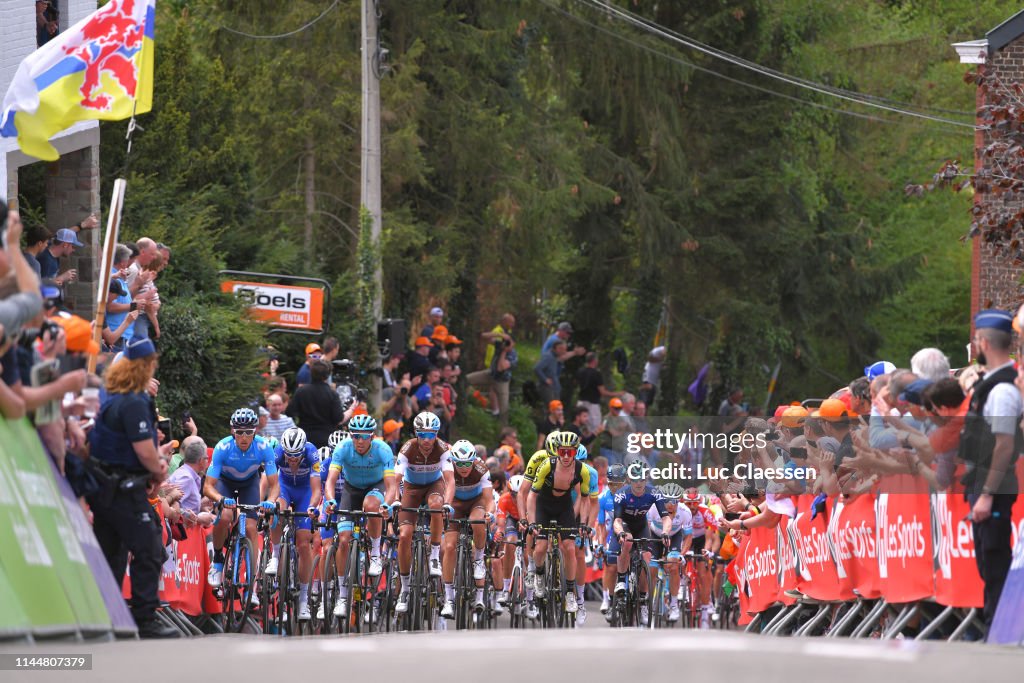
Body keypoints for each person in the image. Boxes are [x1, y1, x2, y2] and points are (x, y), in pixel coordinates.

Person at [84, 337, 177, 638]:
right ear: (144, 366)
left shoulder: (111, 393)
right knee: (149, 548)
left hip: (104, 487)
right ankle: (144, 619)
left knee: (111, 552)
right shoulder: (134, 401)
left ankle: (106, 617)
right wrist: (158, 466)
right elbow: (144, 451)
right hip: (123, 488)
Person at [962, 309, 1021, 625]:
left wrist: (986, 494)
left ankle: (1001, 634)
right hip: (985, 486)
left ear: (984, 342)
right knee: (988, 562)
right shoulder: (992, 385)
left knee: (995, 562)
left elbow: (1004, 446)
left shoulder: (1001, 390)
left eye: (975, 341)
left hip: (994, 490)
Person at [323, 414, 398, 618]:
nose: (360, 441)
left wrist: (386, 503)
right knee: (344, 540)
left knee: (371, 505)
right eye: (356, 436)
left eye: (364, 437)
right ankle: (343, 596)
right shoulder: (343, 448)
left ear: (372, 437)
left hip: (375, 488)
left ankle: (375, 553)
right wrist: (330, 500)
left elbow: (391, 486)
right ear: (351, 436)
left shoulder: (383, 449)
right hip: (351, 490)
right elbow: (330, 481)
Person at [203, 408, 279, 597]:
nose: (244, 437)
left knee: (252, 529)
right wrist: (221, 499)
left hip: (249, 485)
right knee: (225, 516)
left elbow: (275, 484)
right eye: (239, 432)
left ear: (255, 432)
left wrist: (270, 500)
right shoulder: (223, 447)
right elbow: (208, 487)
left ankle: (250, 586)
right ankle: (218, 559)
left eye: (248, 432)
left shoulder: (263, 447)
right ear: (232, 432)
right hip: (225, 483)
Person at [525, 430, 595, 615]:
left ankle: (570, 593)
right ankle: (539, 574)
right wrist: (531, 522)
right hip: (544, 505)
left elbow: (585, 499)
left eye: (570, 452)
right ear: (557, 450)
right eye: (562, 451)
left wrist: (583, 524)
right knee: (540, 547)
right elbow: (532, 495)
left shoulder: (583, 470)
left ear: (575, 452)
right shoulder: (547, 465)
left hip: (564, 506)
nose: (565, 456)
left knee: (570, 548)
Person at [393, 412, 454, 614]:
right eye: (423, 434)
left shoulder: (443, 448)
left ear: (437, 434)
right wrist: (394, 499)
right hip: (411, 488)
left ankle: (435, 554)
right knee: (404, 536)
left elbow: (450, 480)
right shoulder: (407, 449)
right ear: (416, 433)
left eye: (431, 434)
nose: (427, 440)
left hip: (434, 485)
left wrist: (448, 503)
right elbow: (396, 479)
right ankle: (405, 588)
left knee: (436, 504)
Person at [268, 427, 322, 621]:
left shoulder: (312, 452)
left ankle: (303, 600)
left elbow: (317, 489)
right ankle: (275, 556)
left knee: (303, 544)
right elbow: (269, 482)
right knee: (277, 510)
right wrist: (265, 502)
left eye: (296, 456)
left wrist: (312, 506)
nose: (291, 460)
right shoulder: (277, 453)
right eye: (288, 456)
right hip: (285, 488)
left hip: (305, 491)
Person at [610, 466, 672, 626]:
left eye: (642, 479)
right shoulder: (621, 494)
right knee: (628, 541)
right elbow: (616, 520)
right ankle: (622, 580)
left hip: (641, 526)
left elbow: (666, 517)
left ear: (647, 479)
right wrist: (620, 533)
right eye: (635, 479)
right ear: (629, 480)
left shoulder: (654, 493)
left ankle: (643, 601)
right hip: (625, 524)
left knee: (647, 557)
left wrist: (665, 532)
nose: (639, 483)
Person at [441, 440, 495, 617]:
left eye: (467, 463)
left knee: (477, 521)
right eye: (460, 464)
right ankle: (448, 599)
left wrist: (490, 513)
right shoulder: (447, 466)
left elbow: (489, 500)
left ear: (474, 460)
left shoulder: (481, 468)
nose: (464, 467)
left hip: (475, 502)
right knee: (449, 547)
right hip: (455, 504)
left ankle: (478, 559)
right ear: (453, 461)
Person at [647, 483, 692, 622]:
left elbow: (688, 536)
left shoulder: (685, 512)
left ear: (679, 501)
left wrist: (681, 555)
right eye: (666, 501)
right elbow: (646, 528)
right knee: (652, 568)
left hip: (674, 536)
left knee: (673, 566)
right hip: (654, 536)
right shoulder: (653, 508)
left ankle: (673, 604)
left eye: (673, 501)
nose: (669, 505)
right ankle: (648, 602)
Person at [286, 360, 344, 448]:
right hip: (327, 439)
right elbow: (338, 418)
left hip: (305, 438)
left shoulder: (301, 392)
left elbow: (289, 412)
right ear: (327, 376)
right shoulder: (332, 394)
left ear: (311, 373)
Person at [467, 313, 516, 418]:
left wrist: (504, 352)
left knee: (504, 411)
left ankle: (503, 426)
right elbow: (483, 336)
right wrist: (500, 336)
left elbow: (500, 367)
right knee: (466, 379)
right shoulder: (500, 341)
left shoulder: (513, 355)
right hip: (490, 372)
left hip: (502, 380)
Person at [597, 463, 628, 614]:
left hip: (631, 529)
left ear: (625, 482)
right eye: (611, 483)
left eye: (618, 484)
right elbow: (602, 526)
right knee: (611, 566)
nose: (614, 487)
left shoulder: (631, 494)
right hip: (613, 532)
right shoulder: (603, 498)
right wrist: (601, 545)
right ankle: (606, 598)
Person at [576, 352, 622, 430]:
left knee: (580, 427)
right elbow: (602, 392)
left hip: (580, 402)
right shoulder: (596, 374)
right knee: (595, 428)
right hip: (592, 404)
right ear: (595, 361)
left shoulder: (580, 371)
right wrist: (617, 394)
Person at [534, 339, 566, 406]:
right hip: (548, 388)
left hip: (554, 388)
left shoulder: (555, 357)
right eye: (560, 349)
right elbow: (537, 368)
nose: (563, 351)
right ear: (554, 348)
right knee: (552, 410)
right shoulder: (549, 357)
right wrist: (545, 379)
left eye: (564, 349)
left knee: (556, 410)